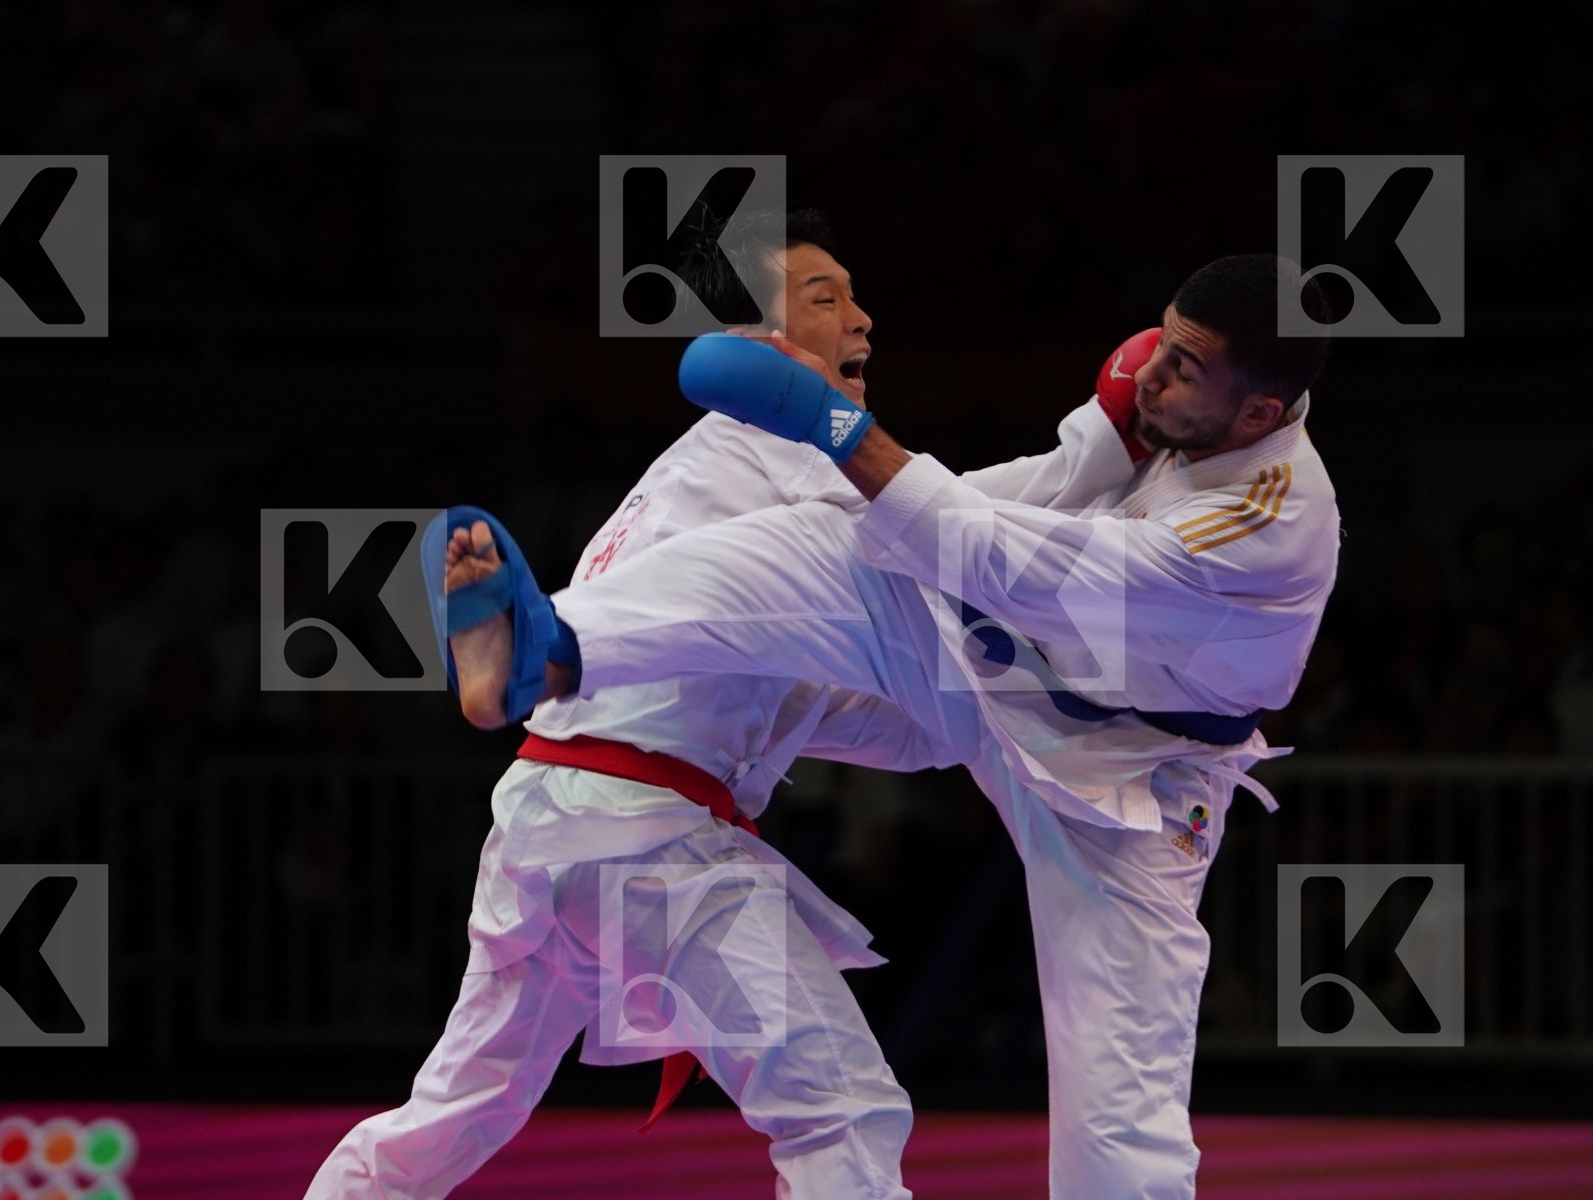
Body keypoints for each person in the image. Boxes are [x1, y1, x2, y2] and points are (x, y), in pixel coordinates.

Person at [441, 254, 1339, 1198]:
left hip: (1137, 784)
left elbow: (1003, 556)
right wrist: (1098, 431)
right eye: (1161, 344)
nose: (1151, 373)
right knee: (842, 546)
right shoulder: (1177, 399)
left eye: (1184, 370)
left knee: (1119, 1119)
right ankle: (556, 647)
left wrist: (841, 432)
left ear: (1257, 417)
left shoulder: (1258, 530)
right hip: (1004, 673)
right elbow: (1035, 492)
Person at [308, 209, 1147, 1199]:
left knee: (449, 1117)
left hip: (546, 816)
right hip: (649, 834)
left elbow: (842, 701)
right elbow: (947, 530)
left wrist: (962, 732)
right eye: (826, 301)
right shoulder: (781, 440)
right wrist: (1108, 440)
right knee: (841, 1111)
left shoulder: (712, 490)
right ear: (761, 349)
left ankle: (540, 646)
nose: (863, 320)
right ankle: (540, 646)